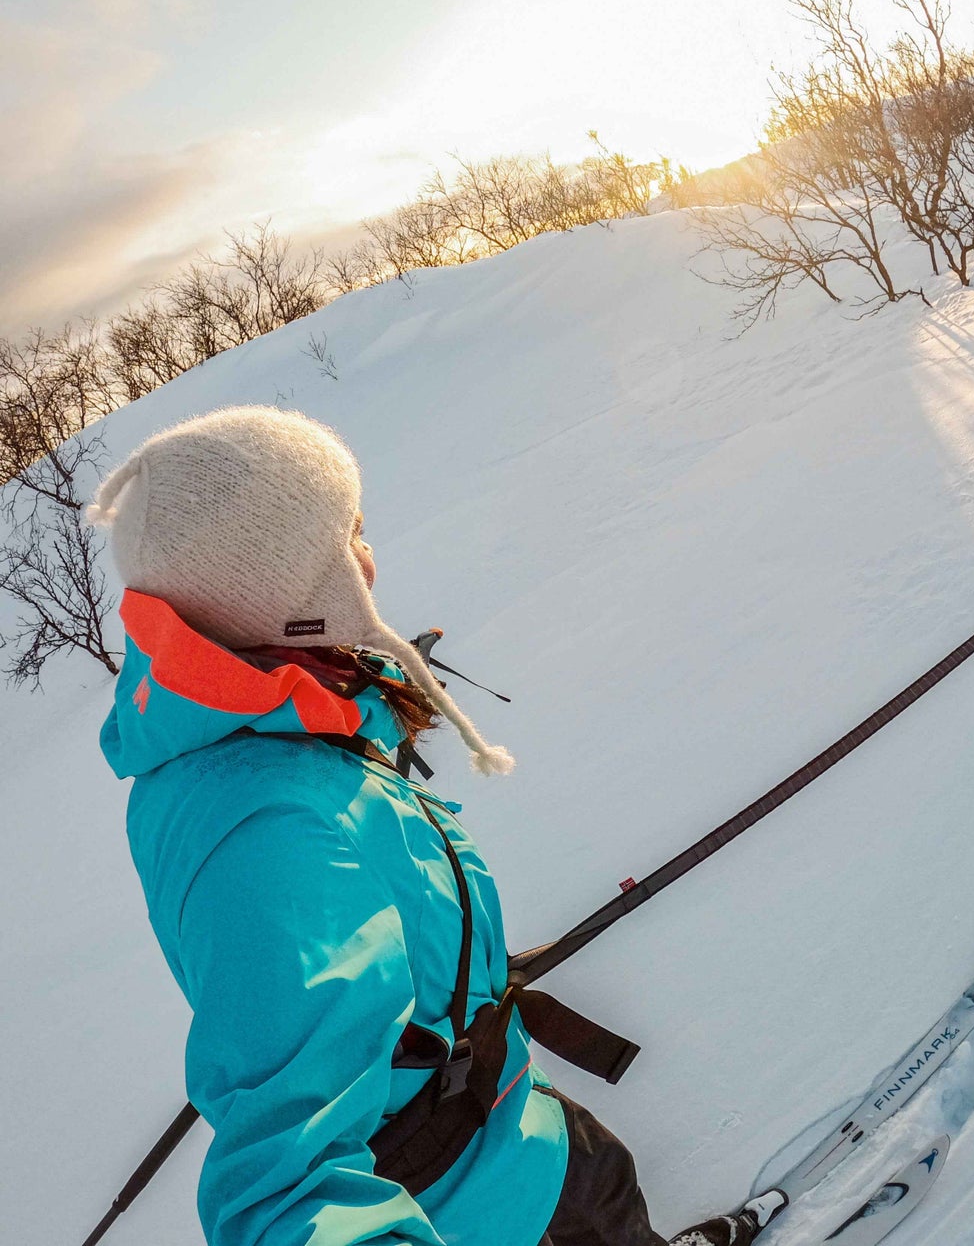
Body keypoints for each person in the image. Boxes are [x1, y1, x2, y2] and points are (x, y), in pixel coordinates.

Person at [91, 406, 784, 1246]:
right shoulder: (265, 831)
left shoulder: (273, 726)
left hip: (515, 1128)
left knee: (606, 1183)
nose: (369, 559)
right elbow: (284, 1189)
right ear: (277, 591)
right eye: (348, 537)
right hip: (487, 1210)